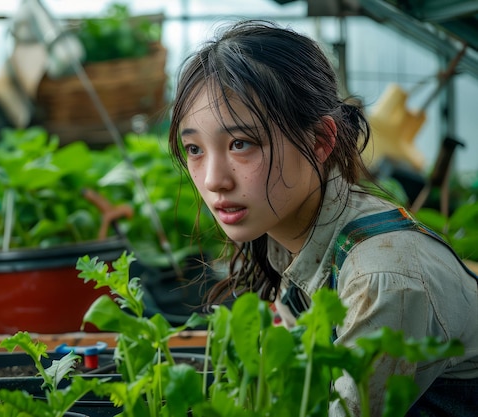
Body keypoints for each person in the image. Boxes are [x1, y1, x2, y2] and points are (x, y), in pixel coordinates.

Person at [167, 19, 478, 416]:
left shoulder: (382, 280)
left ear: (320, 141)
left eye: (241, 144)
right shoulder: (290, 233)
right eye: (194, 149)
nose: (213, 180)